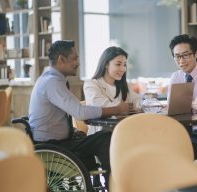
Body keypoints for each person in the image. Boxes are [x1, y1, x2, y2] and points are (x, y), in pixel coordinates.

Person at [28, 40, 130, 189]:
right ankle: (113, 186)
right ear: (62, 59)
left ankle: (107, 183)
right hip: (52, 146)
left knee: (96, 138)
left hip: (56, 142)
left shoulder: (51, 80)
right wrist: (117, 110)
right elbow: (80, 112)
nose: (78, 63)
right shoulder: (52, 82)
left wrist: (70, 130)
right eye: (75, 58)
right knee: (105, 139)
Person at [83, 46, 140, 135]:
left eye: (124, 64)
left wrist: (138, 105)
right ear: (106, 64)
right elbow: (104, 106)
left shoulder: (124, 85)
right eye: (118, 64)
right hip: (101, 136)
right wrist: (123, 108)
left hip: (123, 132)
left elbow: (137, 101)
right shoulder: (91, 84)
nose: (123, 69)